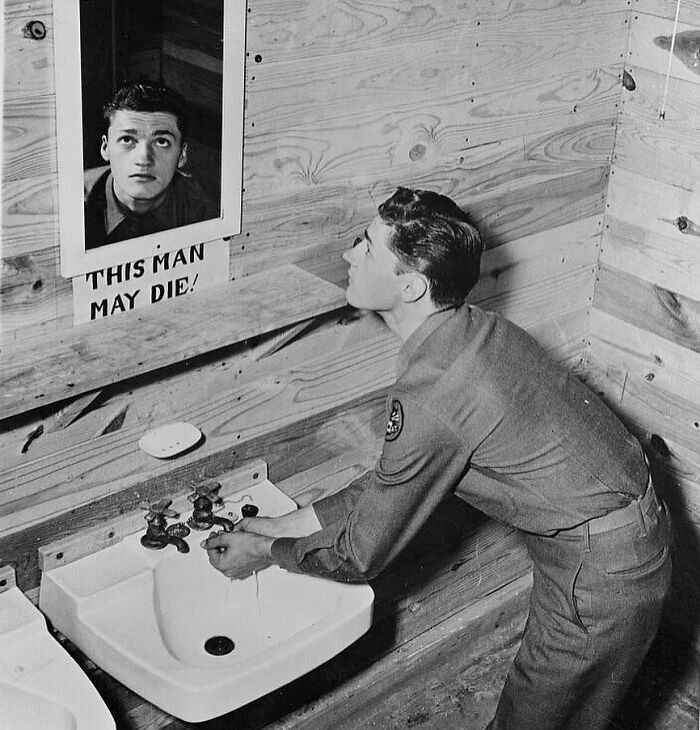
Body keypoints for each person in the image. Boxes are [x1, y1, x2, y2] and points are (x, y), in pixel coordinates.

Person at [203, 187, 672, 730]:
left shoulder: (434, 392)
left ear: (411, 285)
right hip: (617, 540)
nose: (349, 255)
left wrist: (265, 550)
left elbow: (360, 557)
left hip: (600, 570)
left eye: (368, 249)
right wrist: (282, 521)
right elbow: (394, 480)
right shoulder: (471, 329)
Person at [84, 81, 218, 249]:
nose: (144, 159)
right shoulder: (73, 205)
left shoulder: (206, 210)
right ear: (105, 148)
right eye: (127, 139)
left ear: (182, 155)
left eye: (161, 142)